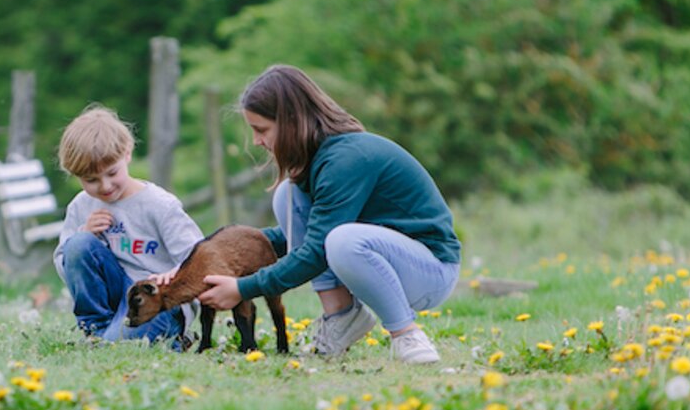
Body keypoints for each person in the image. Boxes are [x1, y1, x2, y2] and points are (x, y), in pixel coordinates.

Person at [197, 65, 461, 364]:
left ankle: (407, 334)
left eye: (261, 130)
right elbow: (305, 234)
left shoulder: (345, 161)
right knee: (289, 194)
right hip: (386, 264)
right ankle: (342, 316)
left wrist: (244, 288)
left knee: (341, 242)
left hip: (429, 272)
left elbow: (315, 250)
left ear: (291, 122)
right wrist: (221, 251)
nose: (257, 141)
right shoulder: (320, 162)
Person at [54, 105, 202, 346]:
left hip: (157, 302)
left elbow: (198, 259)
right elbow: (66, 266)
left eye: (112, 173)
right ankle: (96, 331)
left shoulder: (159, 205)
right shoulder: (81, 206)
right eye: (91, 180)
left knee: (125, 339)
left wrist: (169, 279)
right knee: (78, 244)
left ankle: (158, 337)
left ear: (127, 153)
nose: (104, 186)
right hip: (114, 302)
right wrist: (84, 233)